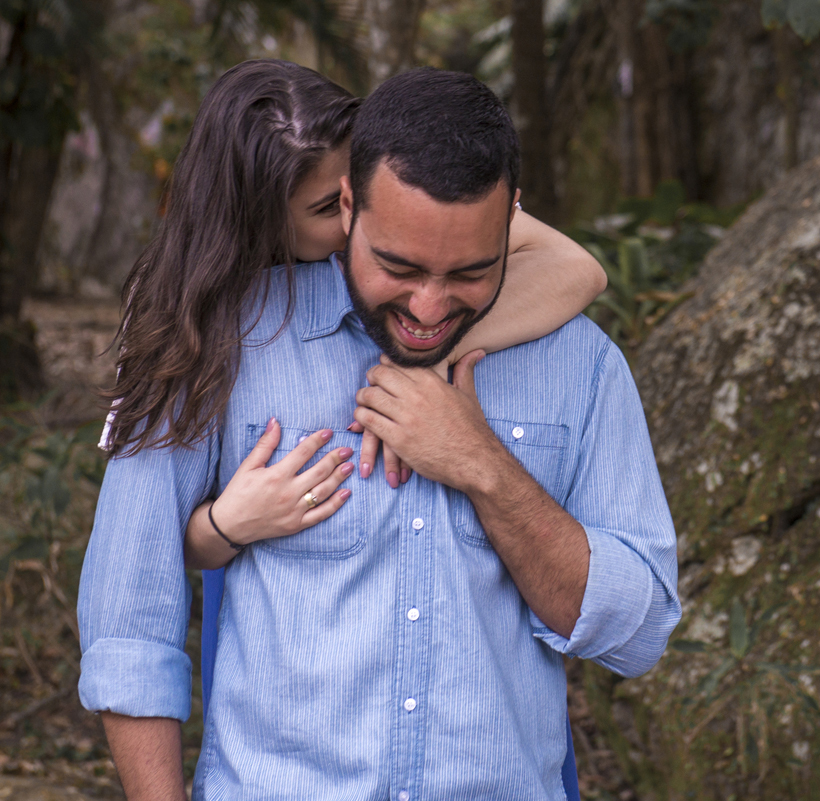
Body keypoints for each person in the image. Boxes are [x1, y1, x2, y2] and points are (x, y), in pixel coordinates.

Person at [78, 67, 679, 800]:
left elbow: (638, 632)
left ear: (512, 216)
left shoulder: (580, 366)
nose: (429, 305)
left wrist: (484, 465)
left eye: (469, 272)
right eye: (398, 265)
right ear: (348, 204)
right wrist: (220, 526)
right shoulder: (217, 337)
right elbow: (128, 623)